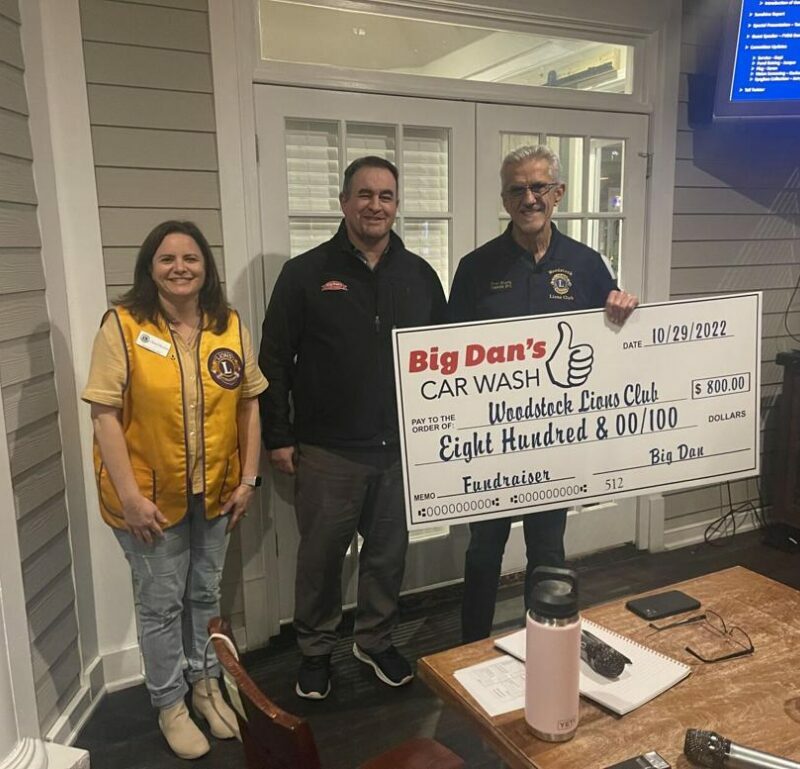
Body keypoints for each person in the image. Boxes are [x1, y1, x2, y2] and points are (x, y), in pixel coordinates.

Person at [259, 156, 447, 700]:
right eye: (364, 194)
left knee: (387, 556)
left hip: (398, 450)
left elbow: (445, 359)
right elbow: (273, 360)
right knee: (319, 559)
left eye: (386, 196)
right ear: (343, 203)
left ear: (396, 205)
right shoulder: (305, 274)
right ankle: (316, 649)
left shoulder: (419, 276)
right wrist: (279, 436)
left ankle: (374, 638)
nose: (375, 205)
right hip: (326, 451)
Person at [83, 220, 267, 759]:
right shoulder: (122, 326)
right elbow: (104, 415)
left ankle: (207, 687)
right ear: (150, 268)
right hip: (147, 503)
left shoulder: (228, 325)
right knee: (161, 604)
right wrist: (131, 497)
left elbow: (250, 403)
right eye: (167, 259)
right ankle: (169, 702)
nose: (180, 267)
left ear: (205, 267)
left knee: (205, 596)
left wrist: (249, 477)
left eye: (191, 257)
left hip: (214, 493)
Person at [448, 145, 638, 643]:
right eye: (517, 189)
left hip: (555, 440)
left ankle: (548, 643)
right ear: (505, 198)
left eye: (538, 188)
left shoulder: (586, 264)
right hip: (489, 441)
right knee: (483, 550)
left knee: (548, 549)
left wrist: (622, 307)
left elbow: (613, 337)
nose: (528, 198)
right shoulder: (475, 267)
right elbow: (447, 353)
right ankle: (470, 651)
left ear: (558, 193)